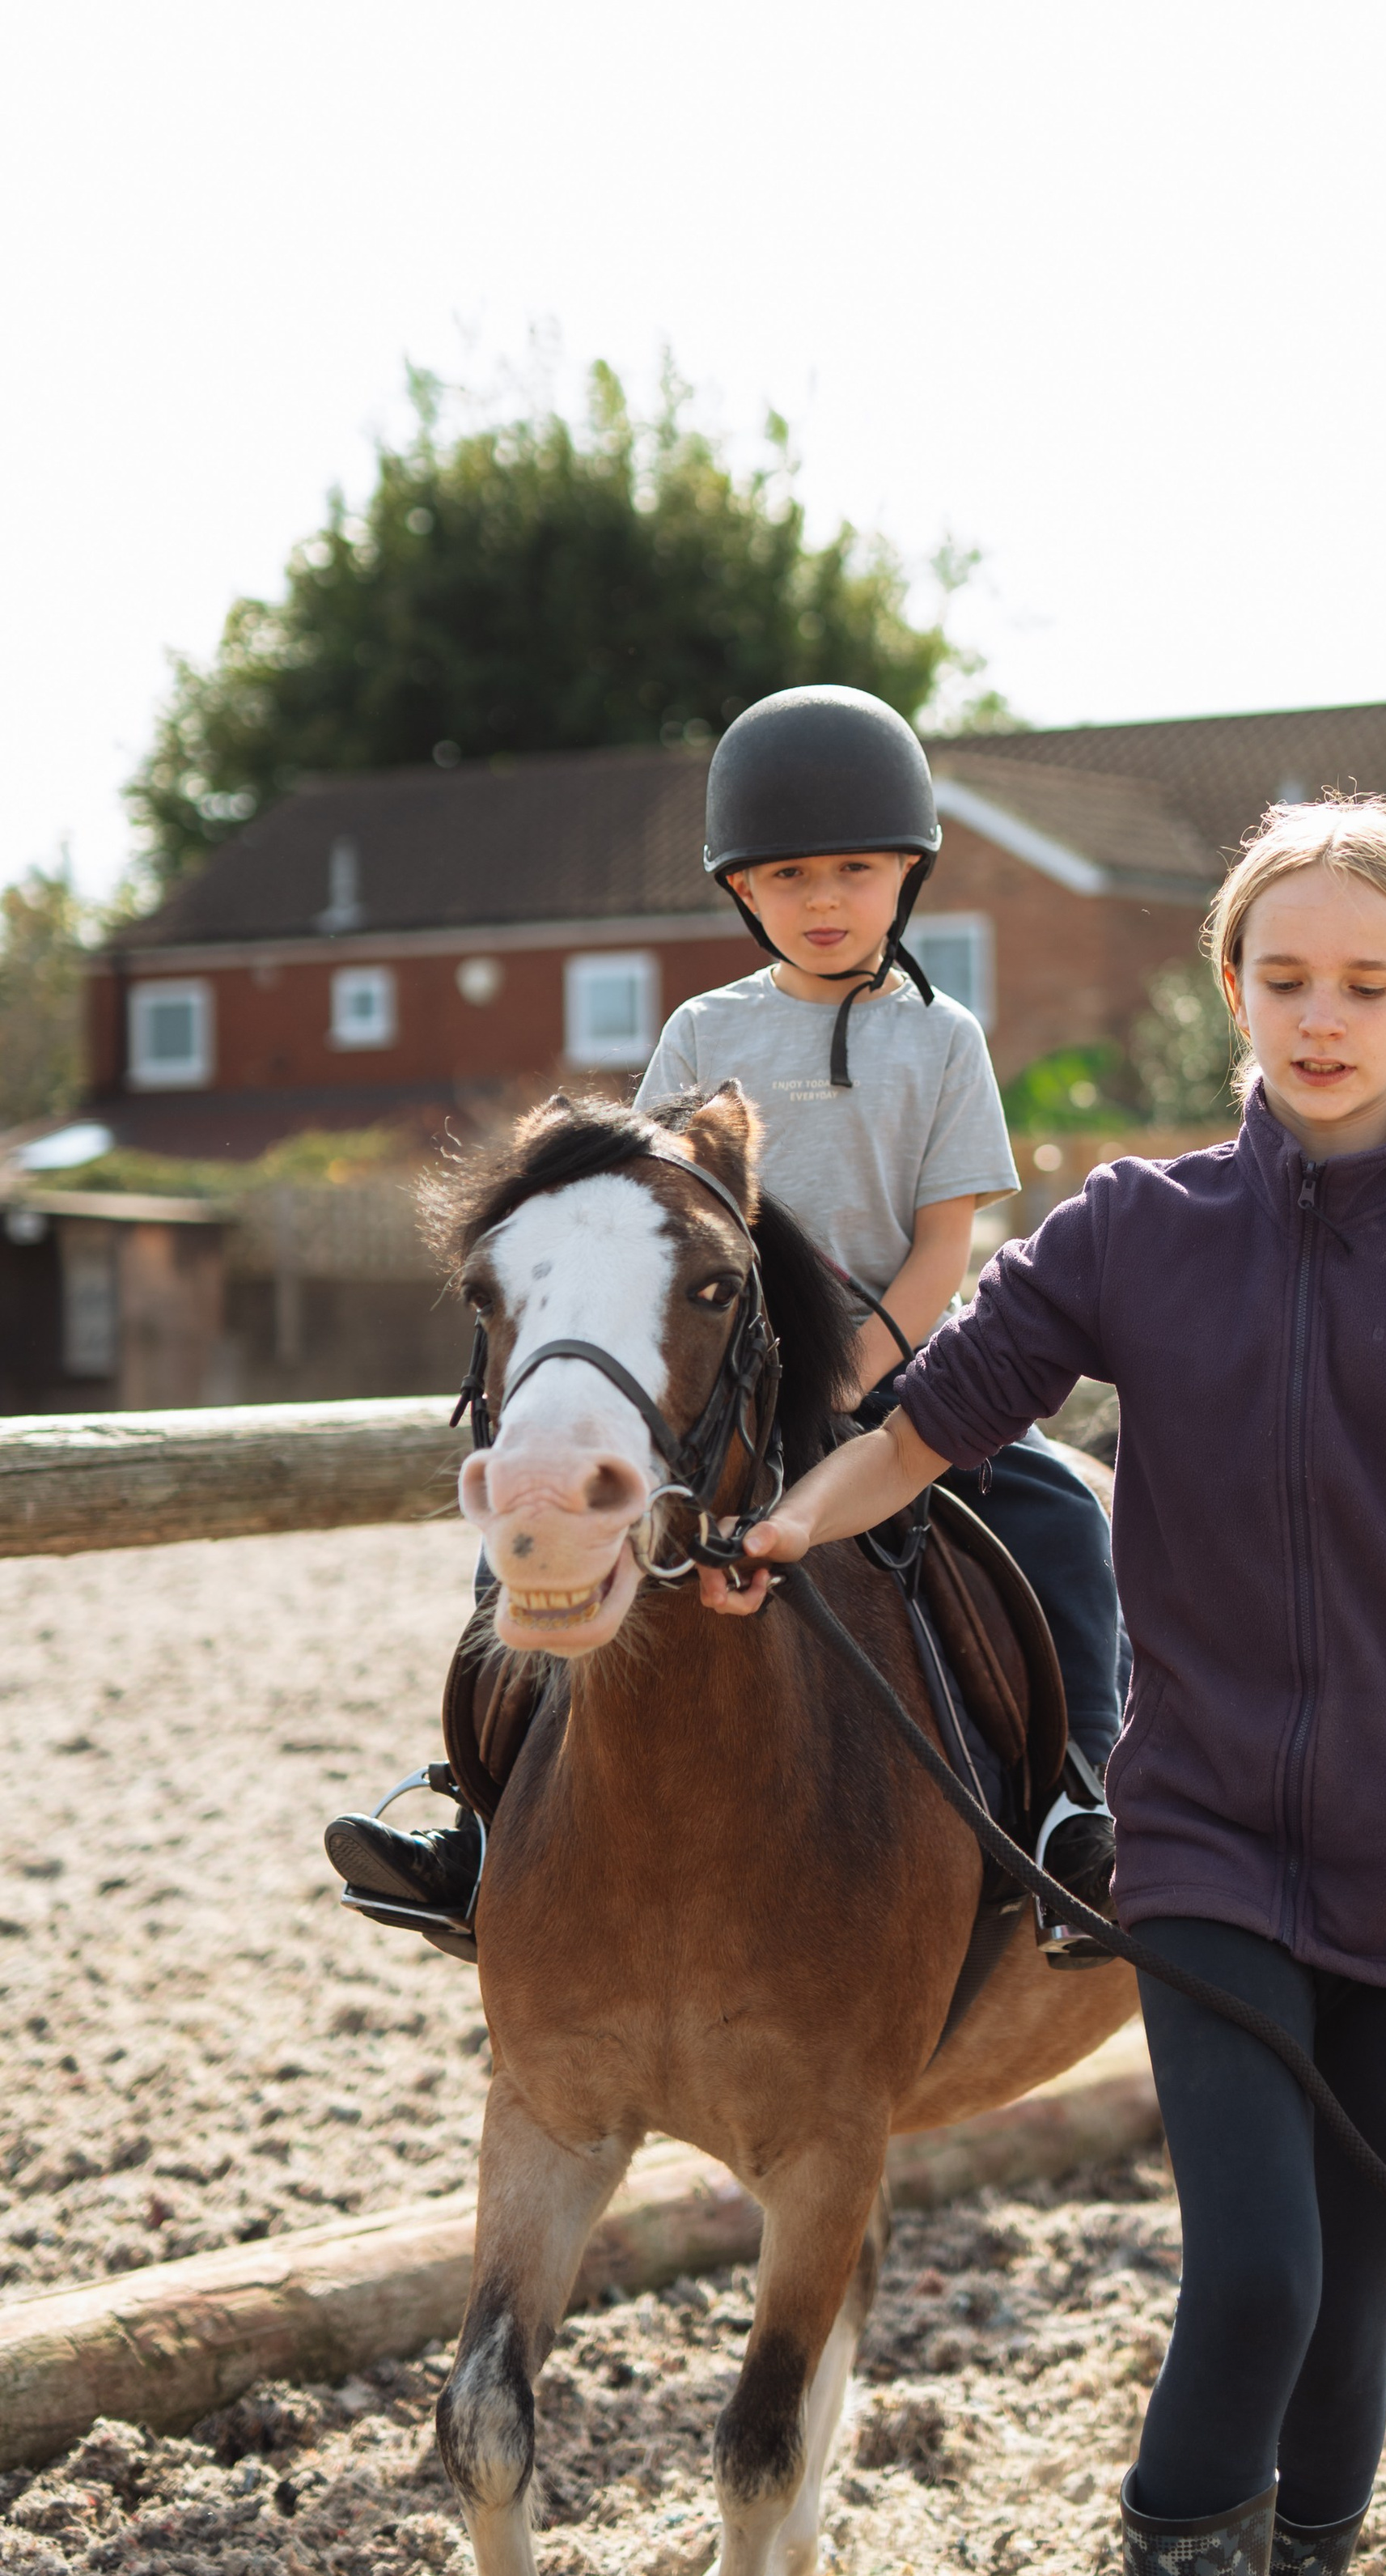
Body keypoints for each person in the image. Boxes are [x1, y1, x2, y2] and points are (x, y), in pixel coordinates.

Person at [703, 793, 1386, 2576]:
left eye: (1364, 985)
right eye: (1283, 977)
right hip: (1205, 1837)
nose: (1320, 1018)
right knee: (1252, 2280)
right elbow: (932, 1425)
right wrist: (790, 1527)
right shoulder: (1132, 1232)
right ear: (1229, 987)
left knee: (1347, 2325)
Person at [324, 686, 1122, 1933]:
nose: (823, 899)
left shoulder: (943, 1038)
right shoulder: (705, 1029)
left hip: (902, 1370)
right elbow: (645, 1211)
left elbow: (942, 1247)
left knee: (1062, 1512)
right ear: (743, 890)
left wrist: (852, 1383)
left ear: (908, 874)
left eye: (855, 870)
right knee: (524, 1531)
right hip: (728, 1377)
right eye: (788, 875)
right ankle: (479, 1829)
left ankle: (1079, 1808)